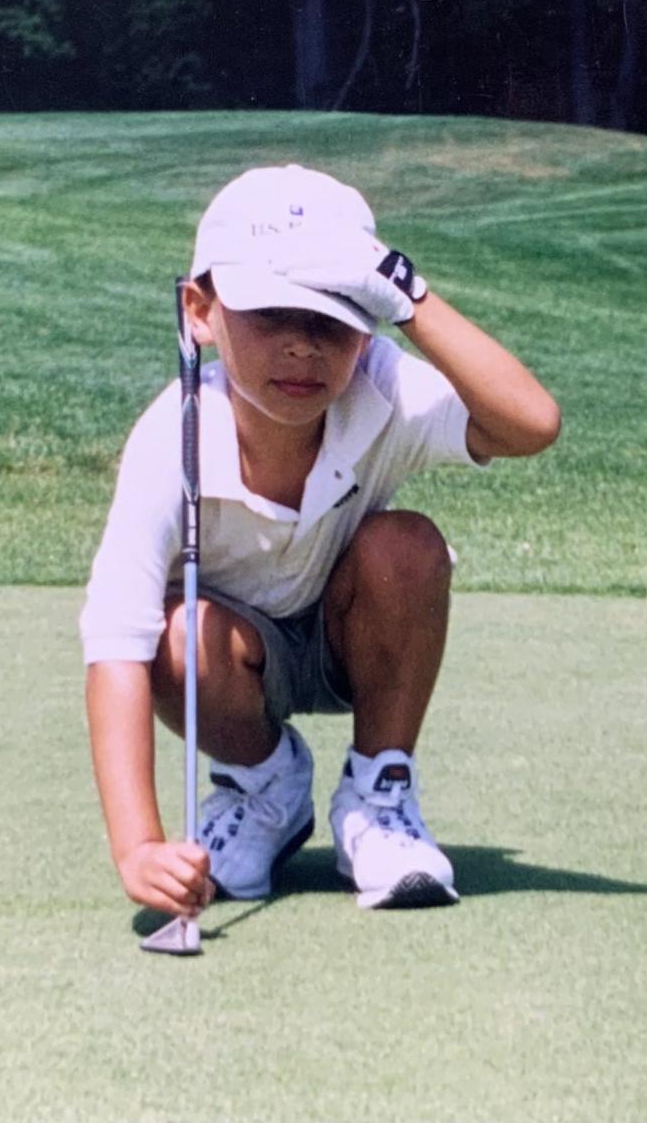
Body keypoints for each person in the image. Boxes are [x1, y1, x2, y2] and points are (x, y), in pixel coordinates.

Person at [80, 162, 560, 919]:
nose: (304, 347)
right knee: (176, 635)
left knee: (406, 548)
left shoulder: (384, 384)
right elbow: (116, 643)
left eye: (334, 316)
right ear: (200, 311)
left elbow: (531, 425)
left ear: (368, 328)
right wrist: (137, 845)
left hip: (352, 640)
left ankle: (376, 798)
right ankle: (269, 788)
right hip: (234, 668)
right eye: (270, 313)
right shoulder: (168, 439)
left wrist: (413, 298)